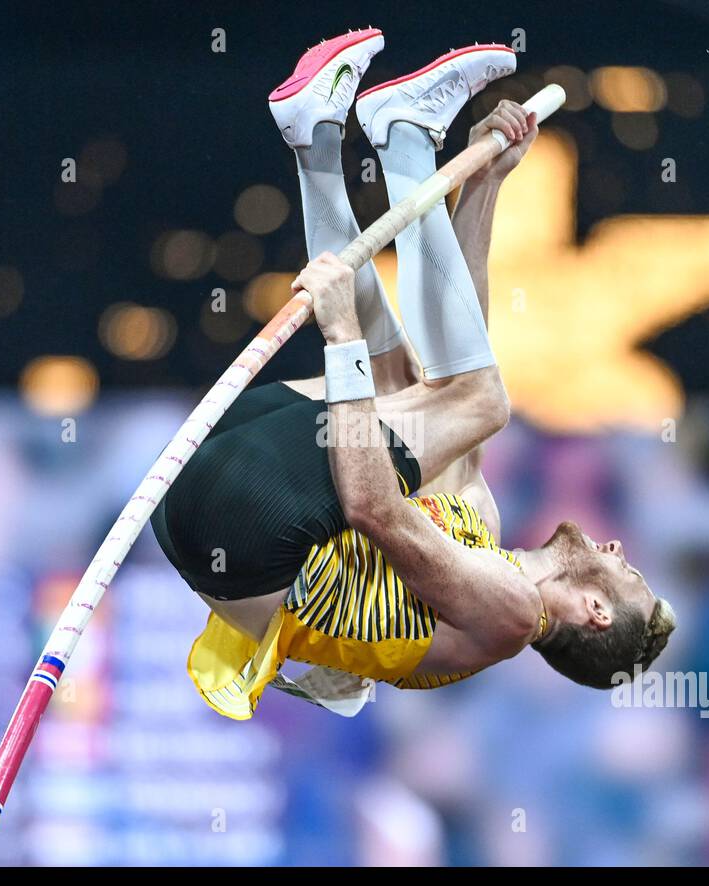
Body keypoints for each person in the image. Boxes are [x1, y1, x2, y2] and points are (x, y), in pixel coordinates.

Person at [152, 28, 675, 719]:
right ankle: (322, 140)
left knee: (478, 403)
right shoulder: (479, 527)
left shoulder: (511, 618)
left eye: (625, 574)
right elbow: (458, 353)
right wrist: (484, 181)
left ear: (595, 612)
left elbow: (375, 510)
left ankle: (401, 137)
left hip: (241, 535)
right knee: (423, 389)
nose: (614, 548)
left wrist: (341, 337)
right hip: (207, 505)